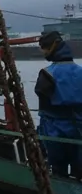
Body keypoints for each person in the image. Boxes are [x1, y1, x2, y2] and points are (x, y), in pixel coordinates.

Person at [35, 30, 82, 179]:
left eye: (43, 48)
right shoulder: (80, 72)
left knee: (58, 170)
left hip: (54, 128)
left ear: (51, 48)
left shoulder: (47, 73)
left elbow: (42, 97)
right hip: (79, 128)